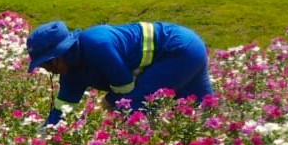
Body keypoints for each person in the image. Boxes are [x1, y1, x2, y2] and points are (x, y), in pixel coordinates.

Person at [26, 19, 213, 126]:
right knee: (204, 115)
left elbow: (124, 88)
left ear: (59, 54)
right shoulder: (70, 72)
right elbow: (61, 111)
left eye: (47, 64)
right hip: (187, 48)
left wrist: (108, 102)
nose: (47, 70)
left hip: (177, 50)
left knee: (131, 109)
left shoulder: (95, 44)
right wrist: (43, 135)